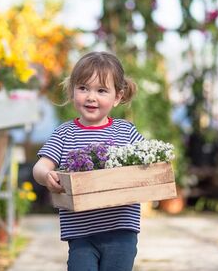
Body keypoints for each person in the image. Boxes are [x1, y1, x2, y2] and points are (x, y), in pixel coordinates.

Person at [33, 51, 144, 271]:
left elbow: (147, 165)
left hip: (121, 230)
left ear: (118, 97)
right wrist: (47, 176)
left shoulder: (126, 131)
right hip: (81, 233)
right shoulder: (65, 133)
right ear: (72, 90)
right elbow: (41, 166)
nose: (91, 97)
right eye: (83, 88)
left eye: (101, 90)